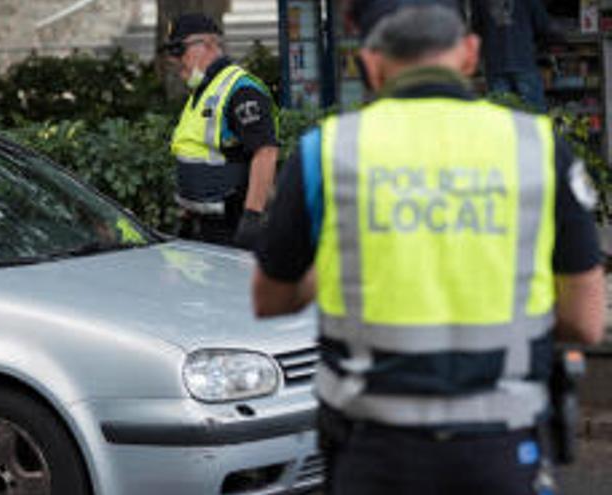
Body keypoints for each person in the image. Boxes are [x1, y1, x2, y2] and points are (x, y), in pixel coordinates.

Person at [251, 1, 607, 494]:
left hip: (373, 452)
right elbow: (587, 320)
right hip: (501, 451)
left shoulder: (326, 152)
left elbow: (268, 297)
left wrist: (334, 271)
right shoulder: (538, 149)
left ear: (370, 65)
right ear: (469, 54)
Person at [163, 13, 279, 249]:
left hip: (233, 226)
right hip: (202, 227)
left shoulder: (241, 90)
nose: (174, 60)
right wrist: (186, 216)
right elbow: (197, 154)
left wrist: (252, 217)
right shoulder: (203, 91)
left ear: (207, 45)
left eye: (179, 50)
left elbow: (266, 153)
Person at [472, 0, 561, 111]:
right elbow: (544, 27)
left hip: (496, 64)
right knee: (534, 115)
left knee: (502, 116)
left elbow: (476, 29)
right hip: (523, 61)